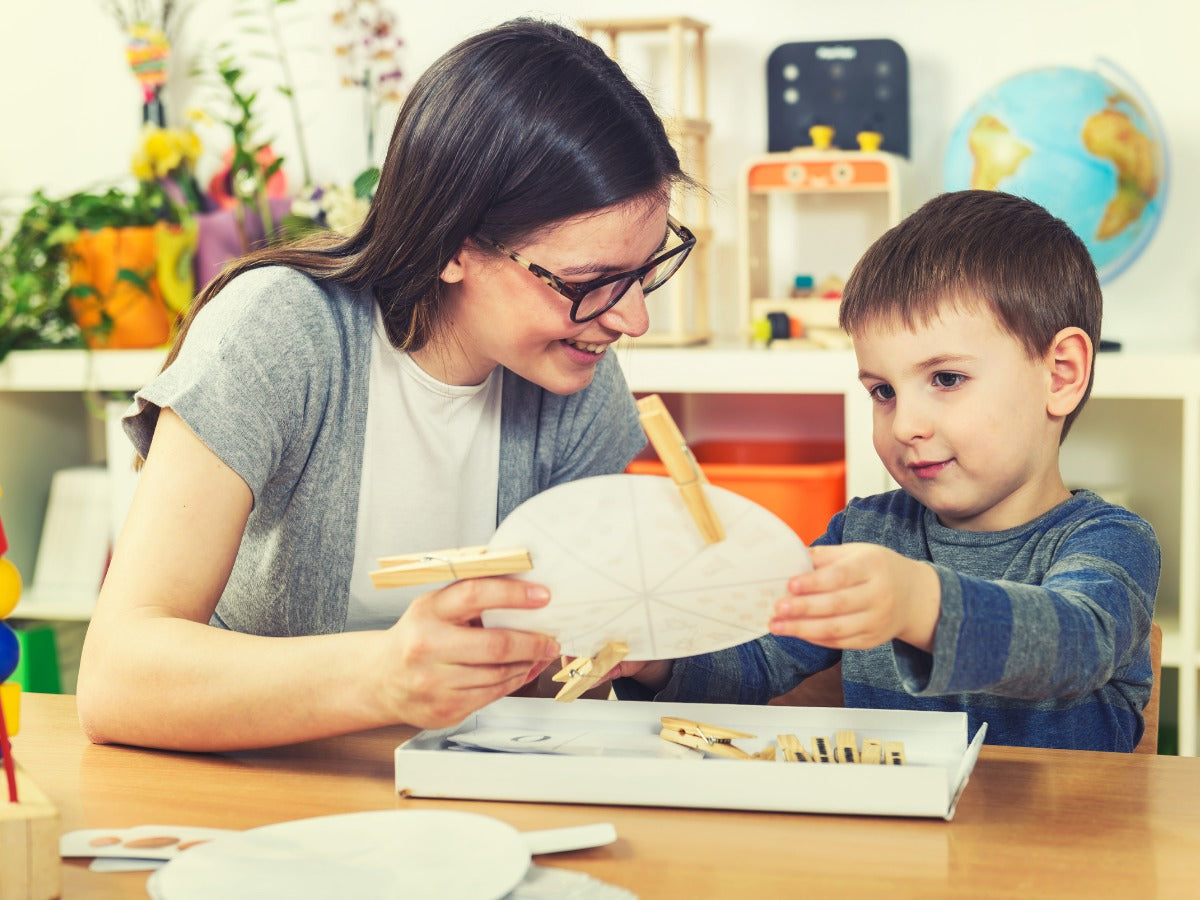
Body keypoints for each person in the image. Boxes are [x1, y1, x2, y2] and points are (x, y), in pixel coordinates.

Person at [76, 18, 696, 751]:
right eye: (594, 281)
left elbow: (553, 674)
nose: (633, 318)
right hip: (252, 792)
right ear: (456, 247)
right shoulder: (281, 333)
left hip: (458, 800)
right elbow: (117, 679)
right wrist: (381, 677)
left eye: (646, 267)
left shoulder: (574, 365)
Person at [615, 190, 1160, 752]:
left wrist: (918, 603)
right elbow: (757, 661)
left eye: (946, 379)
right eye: (883, 391)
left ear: (1061, 374)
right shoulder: (864, 534)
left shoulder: (1110, 542)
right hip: (898, 837)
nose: (905, 426)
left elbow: (1074, 645)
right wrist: (657, 660)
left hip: (1060, 836)